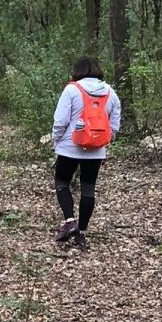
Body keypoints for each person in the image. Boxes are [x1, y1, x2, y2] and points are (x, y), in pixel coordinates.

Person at [50, 56, 122, 249]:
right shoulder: (110, 92)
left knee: (62, 182)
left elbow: (60, 121)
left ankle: (69, 220)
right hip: (96, 149)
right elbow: (114, 125)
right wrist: (104, 144)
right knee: (88, 189)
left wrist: (56, 141)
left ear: (77, 70)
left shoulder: (72, 89)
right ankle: (81, 234)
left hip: (69, 147)